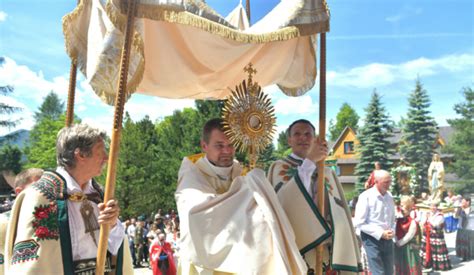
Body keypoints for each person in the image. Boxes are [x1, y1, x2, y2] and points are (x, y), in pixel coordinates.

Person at [175, 118, 308, 274]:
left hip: (241, 264)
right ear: (204, 146)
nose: (226, 151)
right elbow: (196, 213)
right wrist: (245, 194)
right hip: (203, 265)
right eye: (219, 145)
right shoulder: (192, 174)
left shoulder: (243, 173)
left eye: (231, 145)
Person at [4, 124, 133, 274]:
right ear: (81, 155)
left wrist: (112, 225)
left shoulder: (100, 195)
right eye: (101, 151)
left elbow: (114, 249)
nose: (106, 157)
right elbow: (34, 265)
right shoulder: (40, 196)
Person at [267, 119, 361, 272]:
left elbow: (339, 208)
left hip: (327, 248)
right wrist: (309, 162)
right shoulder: (280, 167)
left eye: (307, 134)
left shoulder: (327, 171)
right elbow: (284, 201)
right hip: (297, 244)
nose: (303, 138)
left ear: (315, 138)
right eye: (297, 134)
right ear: (289, 140)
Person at [0, 168, 43, 275]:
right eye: (38, 188)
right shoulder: (3, 223)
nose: (46, 195)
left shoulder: (54, 221)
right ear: (19, 192)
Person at [353, 170, 396, 275]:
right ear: (376, 181)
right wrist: (381, 233)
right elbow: (359, 222)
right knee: (378, 272)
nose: (389, 185)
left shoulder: (389, 197)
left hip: (388, 239)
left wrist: (392, 231)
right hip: (371, 239)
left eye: (390, 182)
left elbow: (392, 219)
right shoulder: (365, 196)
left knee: (389, 271)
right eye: (386, 182)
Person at [419, 201, 451, 272]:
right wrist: (425, 217)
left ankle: (438, 266)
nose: (433, 208)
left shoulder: (440, 215)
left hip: (436, 235)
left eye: (434, 206)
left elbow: (434, 224)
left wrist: (428, 217)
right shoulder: (427, 214)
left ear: (437, 207)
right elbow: (422, 223)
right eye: (431, 206)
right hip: (427, 235)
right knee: (427, 250)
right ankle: (427, 264)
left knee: (436, 251)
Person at [394, 196, 422, 275]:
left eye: (404, 207)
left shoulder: (412, 222)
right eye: (401, 206)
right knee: (399, 266)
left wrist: (399, 243)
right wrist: (396, 240)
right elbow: (395, 231)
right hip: (399, 247)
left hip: (409, 248)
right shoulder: (398, 220)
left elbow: (409, 235)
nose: (402, 209)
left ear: (409, 208)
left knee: (410, 265)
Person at [456, 197, 474, 261]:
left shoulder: (472, 209)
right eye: (462, 202)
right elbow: (455, 216)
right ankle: (463, 256)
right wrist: (460, 209)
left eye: (463, 202)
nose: (462, 203)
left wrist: (463, 210)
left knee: (470, 243)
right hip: (461, 228)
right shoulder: (460, 209)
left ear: (468, 202)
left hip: (470, 229)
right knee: (461, 243)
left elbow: (467, 216)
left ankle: (470, 256)